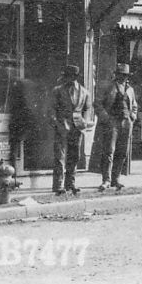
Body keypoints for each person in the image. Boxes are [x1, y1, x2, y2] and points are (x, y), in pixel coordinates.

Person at [93, 64, 137, 192]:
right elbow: (97, 104)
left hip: (126, 123)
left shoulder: (130, 90)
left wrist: (132, 116)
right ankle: (106, 180)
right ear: (116, 75)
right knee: (109, 151)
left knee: (122, 152)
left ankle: (116, 179)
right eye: (121, 75)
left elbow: (134, 105)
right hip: (112, 122)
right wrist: (106, 118)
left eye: (125, 75)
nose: (123, 77)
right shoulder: (107, 87)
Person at [49, 65, 90, 195]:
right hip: (62, 126)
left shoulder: (84, 92)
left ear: (76, 77)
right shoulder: (57, 90)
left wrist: (84, 121)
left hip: (77, 127)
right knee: (59, 156)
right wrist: (56, 123)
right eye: (67, 76)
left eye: (71, 76)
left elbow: (87, 109)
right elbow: (51, 109)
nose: (69, 79)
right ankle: (58, 185)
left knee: (75, 156)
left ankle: (70, 184)